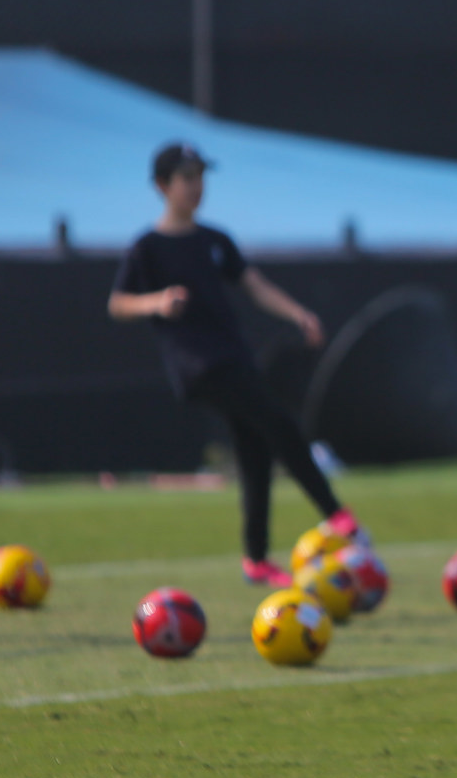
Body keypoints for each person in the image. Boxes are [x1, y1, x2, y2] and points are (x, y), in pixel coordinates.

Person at [109, 142, 361, 584]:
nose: (197, 187)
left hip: (232, 355)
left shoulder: (214, 240)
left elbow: (255, 285)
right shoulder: (147, 247)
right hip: (198, 365)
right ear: (162, 186)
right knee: (279, 423)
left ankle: (257, 560)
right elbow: (117, 303)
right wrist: (157, 302)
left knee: (256, 448)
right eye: (187, 178)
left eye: (201, 177)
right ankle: (337, 515)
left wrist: (297, 313)